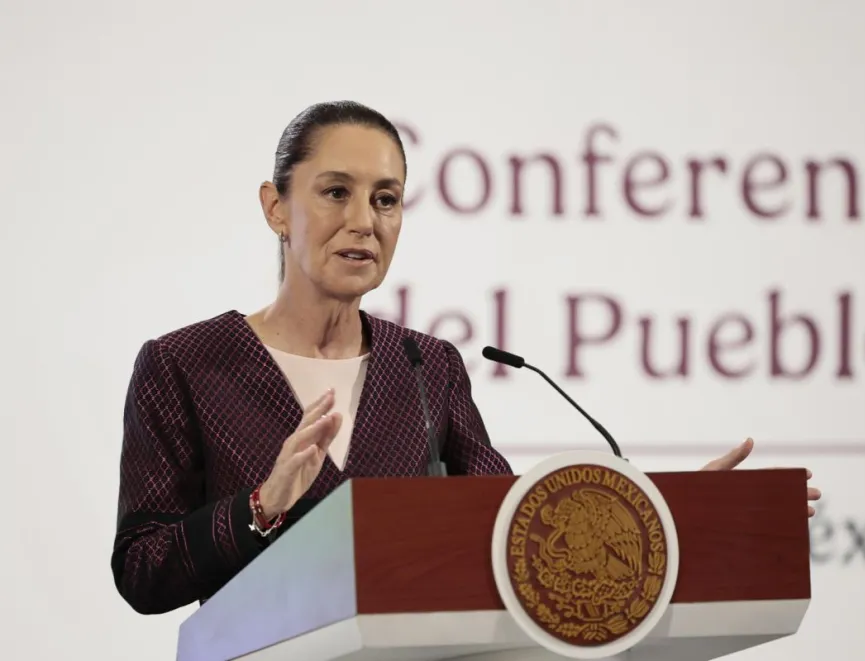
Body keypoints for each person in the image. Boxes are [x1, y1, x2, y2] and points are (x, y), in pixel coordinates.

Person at [111, 101, 821, 616]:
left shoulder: (425, 367)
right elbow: (142, 571)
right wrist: (261, 506)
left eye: (386, 199)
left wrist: (666, 519)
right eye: (335, 193)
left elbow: (516, 536)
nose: (364, 221)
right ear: (275, 207)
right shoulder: (186, 365)